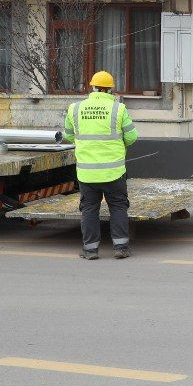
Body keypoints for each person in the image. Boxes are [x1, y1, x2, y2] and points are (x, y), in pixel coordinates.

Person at [62, 71, 138, 260]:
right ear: (111, 89)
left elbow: (68, 136)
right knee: (118, 207)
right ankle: (121, 248)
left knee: (89, 209)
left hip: (87, 173)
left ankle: (90, 250)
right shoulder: (118, 109)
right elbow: (132, 137)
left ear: (92, 87)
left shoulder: (75, 108)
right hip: (114, 171)